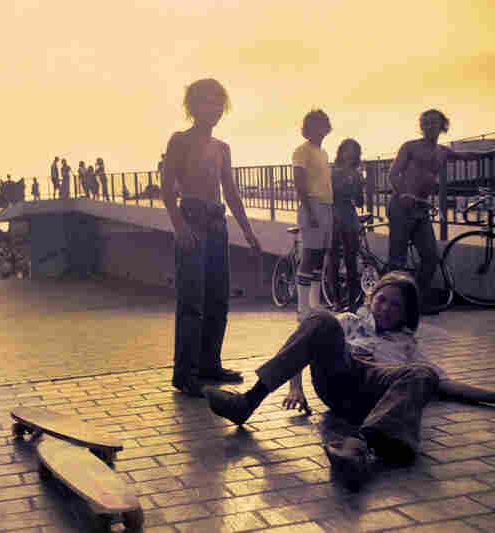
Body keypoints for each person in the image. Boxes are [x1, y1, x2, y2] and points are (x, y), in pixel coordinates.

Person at [204, 272, 495, 491]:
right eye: (381, 300)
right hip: (340, 375)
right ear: (371, 299)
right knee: (320, 319)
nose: (385, 308)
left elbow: (446, 384)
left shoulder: (408, 345)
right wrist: (296, 388)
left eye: (395, 306)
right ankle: (247, 402)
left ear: (406, 314)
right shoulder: (349, 322)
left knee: (425, 373)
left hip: (374, 394)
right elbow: (306, 341)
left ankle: (359, 445)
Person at [161, 78, 262, 397]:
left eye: (219, 103)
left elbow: (230, 192)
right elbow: (166, 187)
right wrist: (179, 227)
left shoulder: (222, 148)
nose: (214, 109)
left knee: (218, 297)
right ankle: (186, 373)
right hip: (191, 219)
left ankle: (209, 365)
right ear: (193, 106)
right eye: (207, 102)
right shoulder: (180, 140)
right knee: (192, 300)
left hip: (218, 223)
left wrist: (247, 231)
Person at [387, 109, 493, 314]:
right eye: (425, 123)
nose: (429, 126)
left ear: (442, 126)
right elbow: (393, 174)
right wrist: (403, 194)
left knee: (430, 258)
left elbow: (467, 155)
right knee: (397, 260)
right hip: (401, 206)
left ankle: (412, 300)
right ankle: (391, 306)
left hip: (421, 208)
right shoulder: (410, 147)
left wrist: (489, 152)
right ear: (421, 126)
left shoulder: (443, 151)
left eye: (434, 123)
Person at [292, 109, 334, 322]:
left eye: (322, 124)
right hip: (312, 206)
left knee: (319, 257)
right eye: (314, 124)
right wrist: (309, 211)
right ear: (307, 128)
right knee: (309, 256)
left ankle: (315, 304)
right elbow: (299, 184)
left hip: (327, 206)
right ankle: (302, 308)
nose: (320, 128)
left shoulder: (323, 152)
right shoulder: (302, 151)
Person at [325, 139, 365, 311]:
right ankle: (336, 300)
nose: (349, 154)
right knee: (333, 258)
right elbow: (327, 194)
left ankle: (352, 302)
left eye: (353, 151)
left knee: (351, 260)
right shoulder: (332, 171)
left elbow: (359, 201)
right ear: (340, 152)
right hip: (333, 214)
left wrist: (359, 185)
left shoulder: (356, 174)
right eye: (346, 150)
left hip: (349, 215)